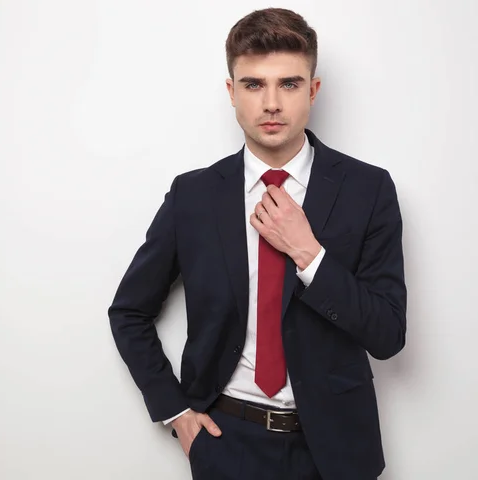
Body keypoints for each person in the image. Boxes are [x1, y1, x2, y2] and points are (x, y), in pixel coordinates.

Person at [108, 7, 406, 480]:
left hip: (337, 452)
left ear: (313, 90)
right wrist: (176, 414)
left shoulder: (368, 190)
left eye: (288, 84)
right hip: (226, 444)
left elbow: (389, 335)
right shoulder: (194, 195)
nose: (271, 103)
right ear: (231, 92)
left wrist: (308, 253)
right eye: (253, 84)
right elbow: (128, 312)